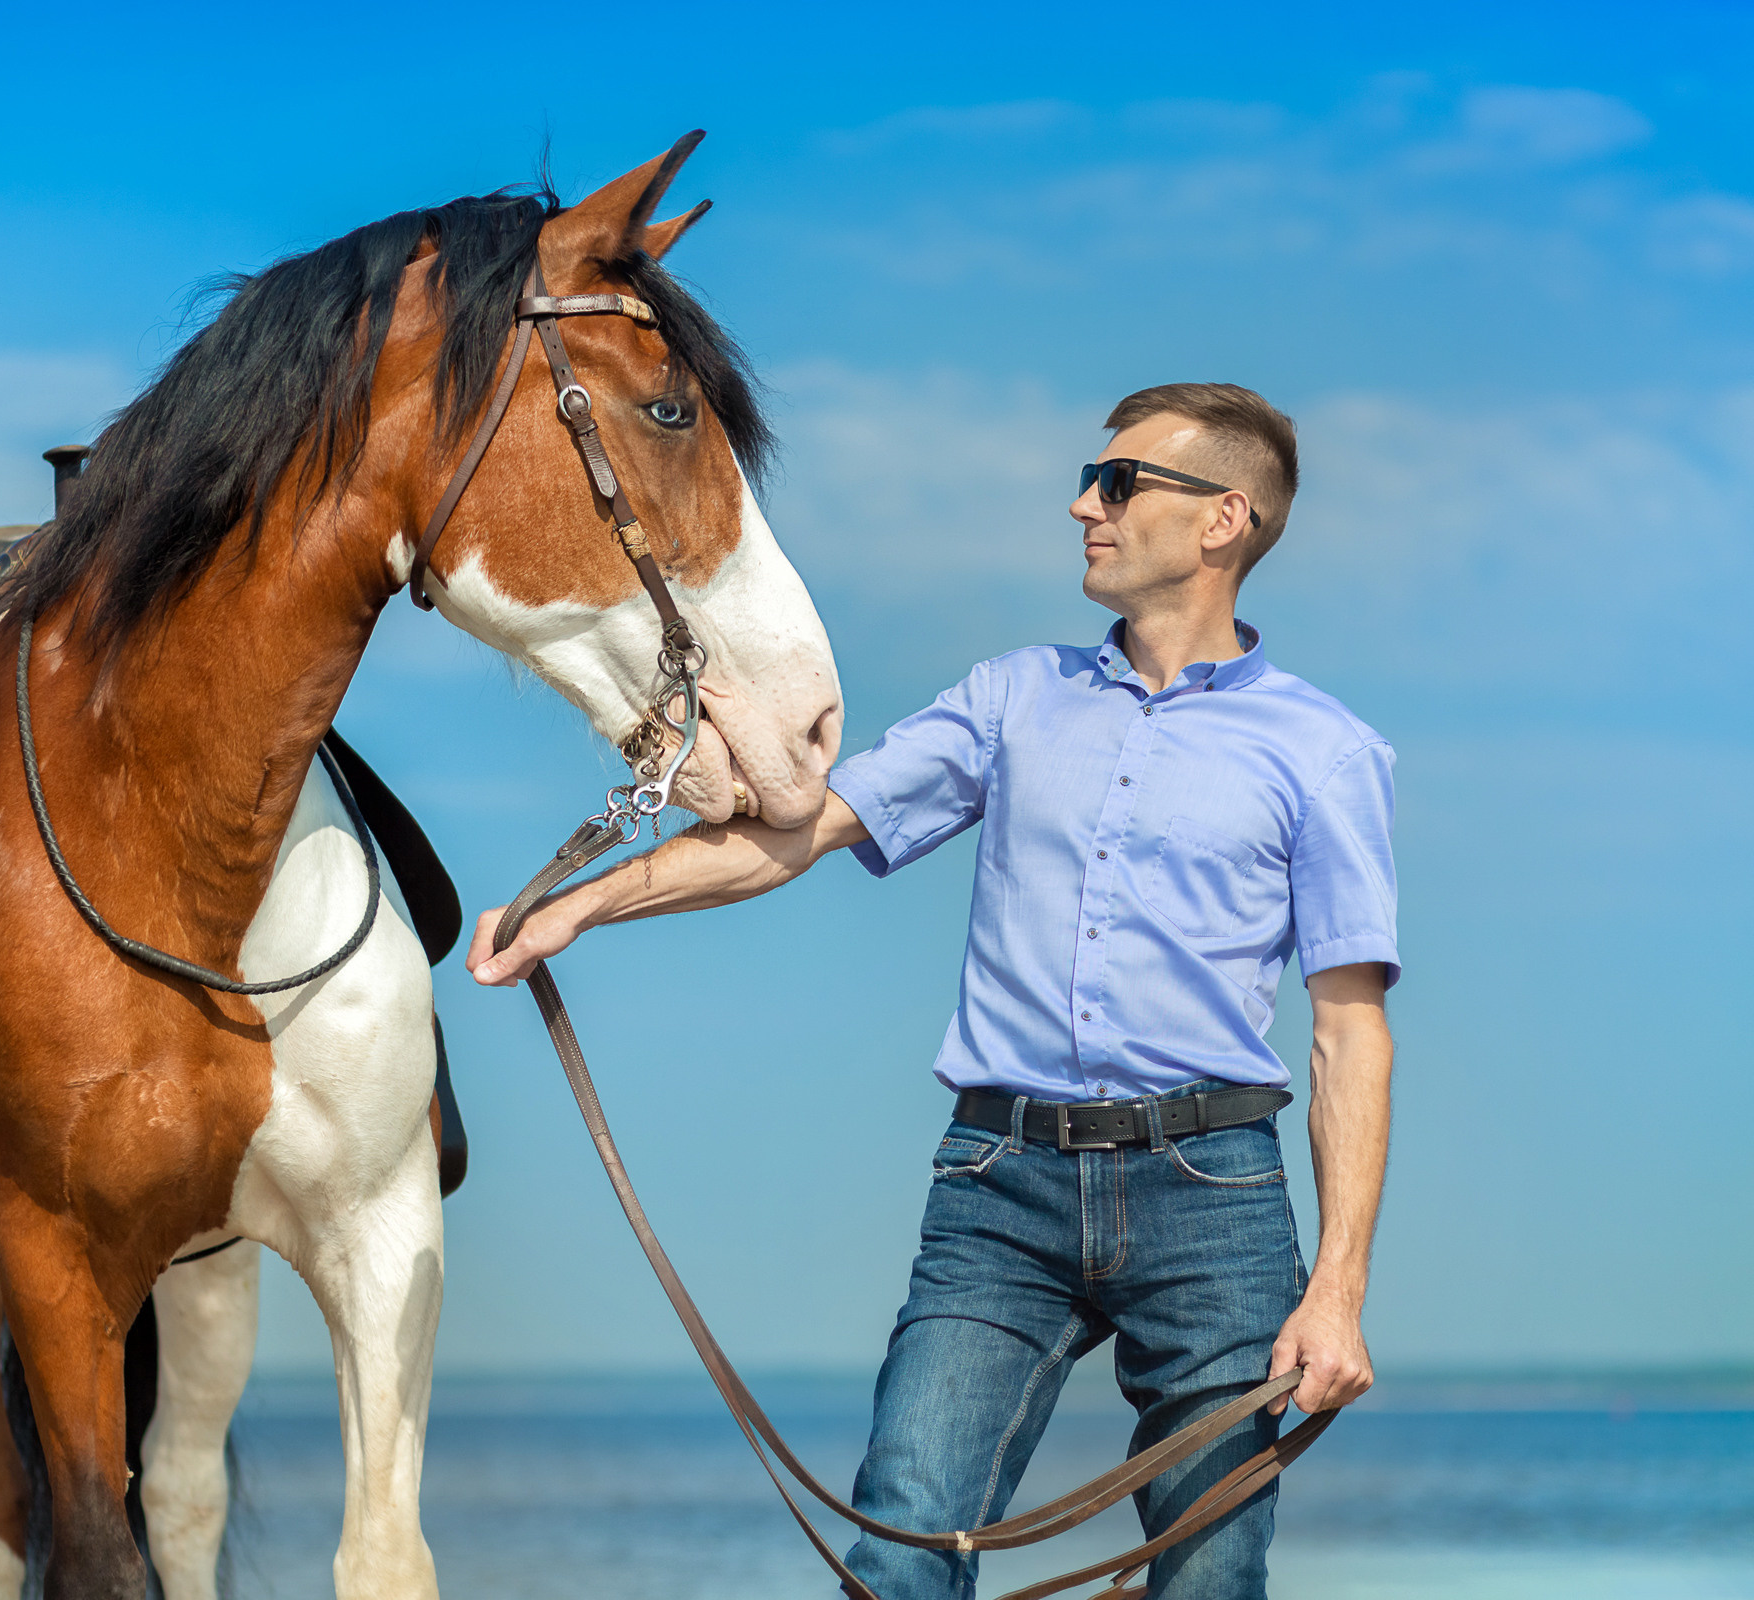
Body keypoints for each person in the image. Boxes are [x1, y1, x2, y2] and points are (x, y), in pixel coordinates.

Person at [468, 383, 1396, 1598]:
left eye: (1118, 482)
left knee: (1211, 1573)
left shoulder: (1326, 753)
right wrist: (580, 904)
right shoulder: (1011, 697)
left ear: (1225, 520)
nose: (1084, 503)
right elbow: (798, 831)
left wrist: (1337, 1292)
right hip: (997, 1191)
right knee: (903, 1544)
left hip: (1213, 1196)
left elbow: (1348, 1031)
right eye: (1090, 477)